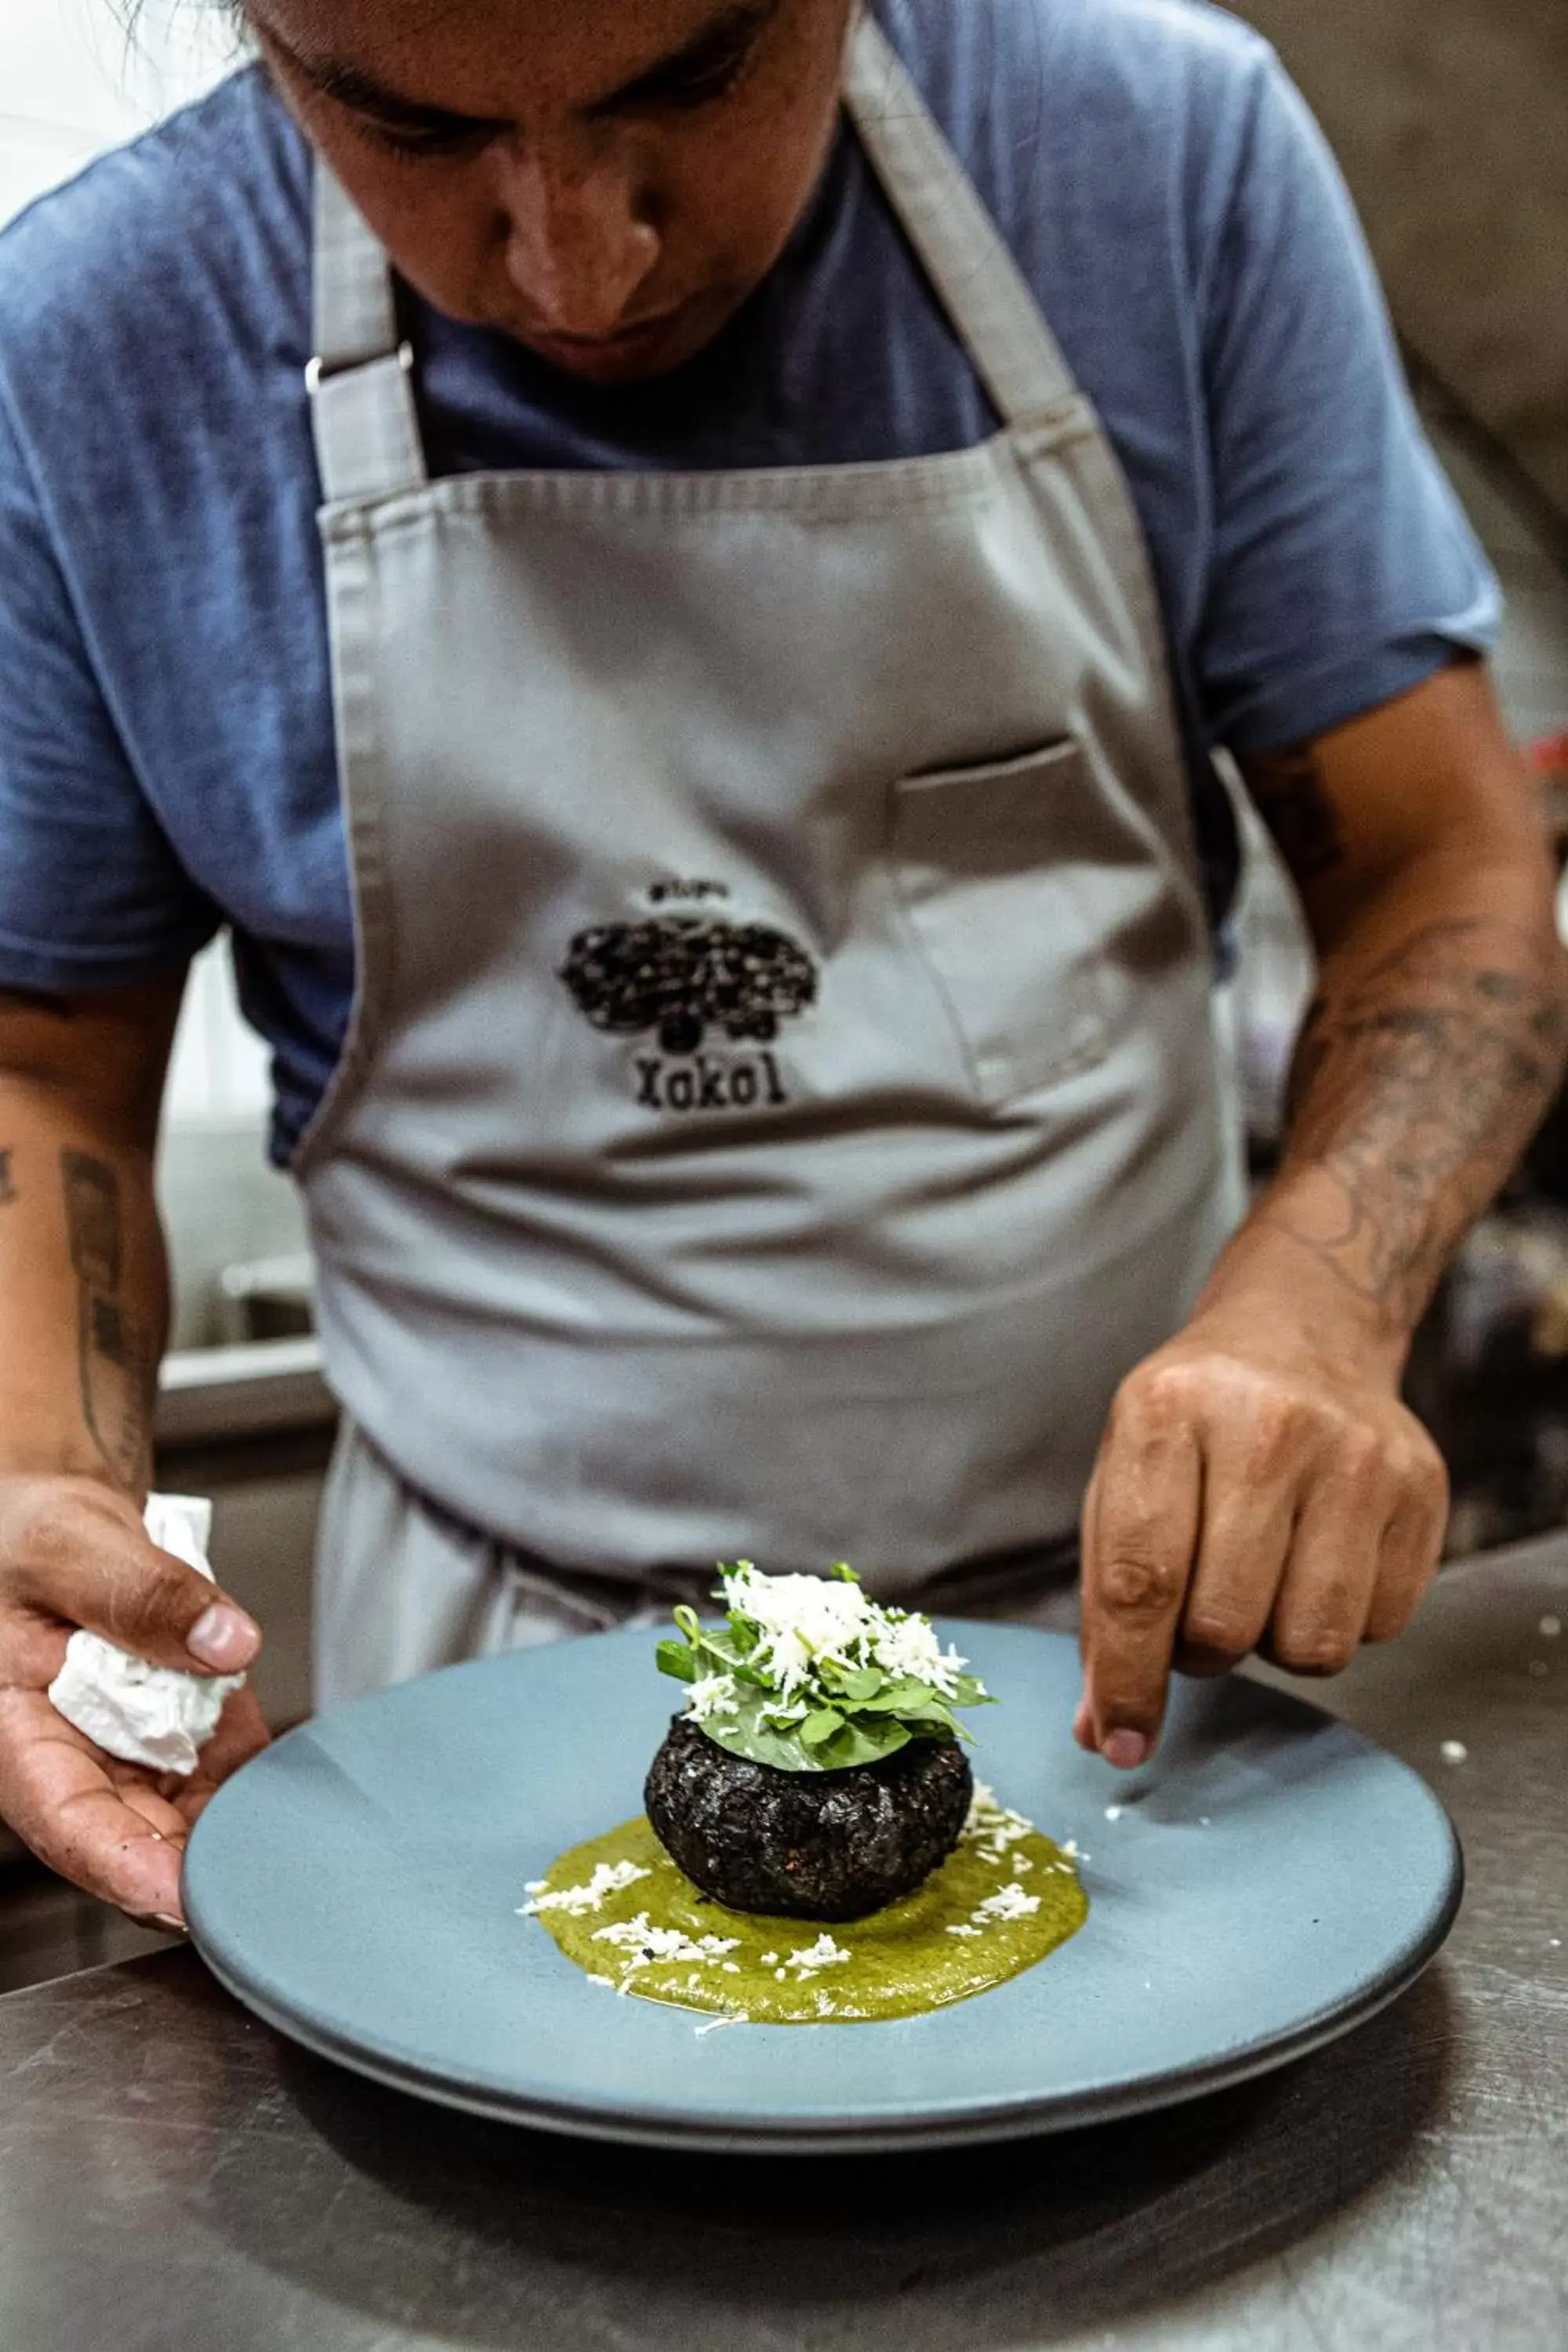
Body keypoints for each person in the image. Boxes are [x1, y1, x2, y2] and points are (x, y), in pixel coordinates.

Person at [0, 0, 1560, 1933]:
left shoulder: (1152, 164)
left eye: (693, 79)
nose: (579, 257)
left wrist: (1320, 1308)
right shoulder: (93, 340)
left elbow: (1441, 863)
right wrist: (35, 1477)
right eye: (402, 124)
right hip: (492, 1669)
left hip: (1151, 1653)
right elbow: (44, 1059)